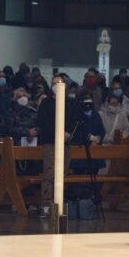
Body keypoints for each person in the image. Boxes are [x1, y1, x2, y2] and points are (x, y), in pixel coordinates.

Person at [36, 75, 76, 217]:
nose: (56, 85)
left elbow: (73, 120)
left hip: (65, 142)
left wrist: (68, 133)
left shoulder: (69, 103)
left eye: (59, 83)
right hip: (50, 142)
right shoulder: (46, 103)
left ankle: (60, 202)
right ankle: (46, 204)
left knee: (63, 171)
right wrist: (57, 132)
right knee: (50, 171)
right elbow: (42, 122)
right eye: (54, 83)